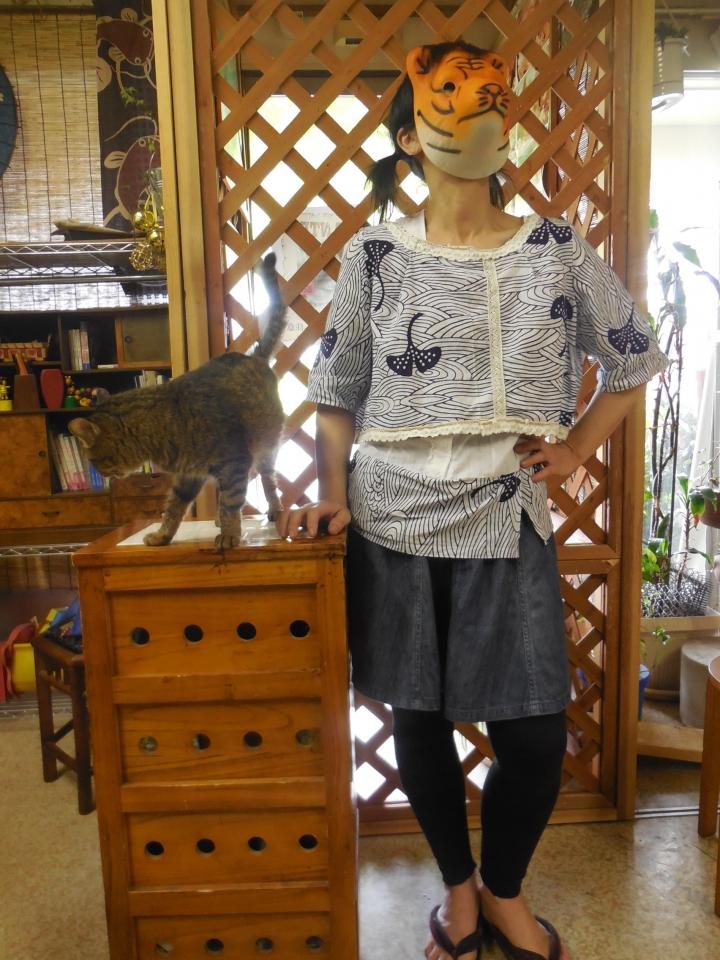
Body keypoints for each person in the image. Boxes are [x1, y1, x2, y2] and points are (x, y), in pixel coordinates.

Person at [277, 40, 669, 960]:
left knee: (531, 734)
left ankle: (502, 889)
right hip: (391, 517)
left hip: (506, 512)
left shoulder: (555, 249)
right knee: (416, 721)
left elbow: (634, 355)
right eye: (448, 99)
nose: (473, 111)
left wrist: (576, 446)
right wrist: (331, 495)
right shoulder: (374, 254)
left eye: (488, 98)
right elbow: (335, 392)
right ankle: (458, 892)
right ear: (411, 138)